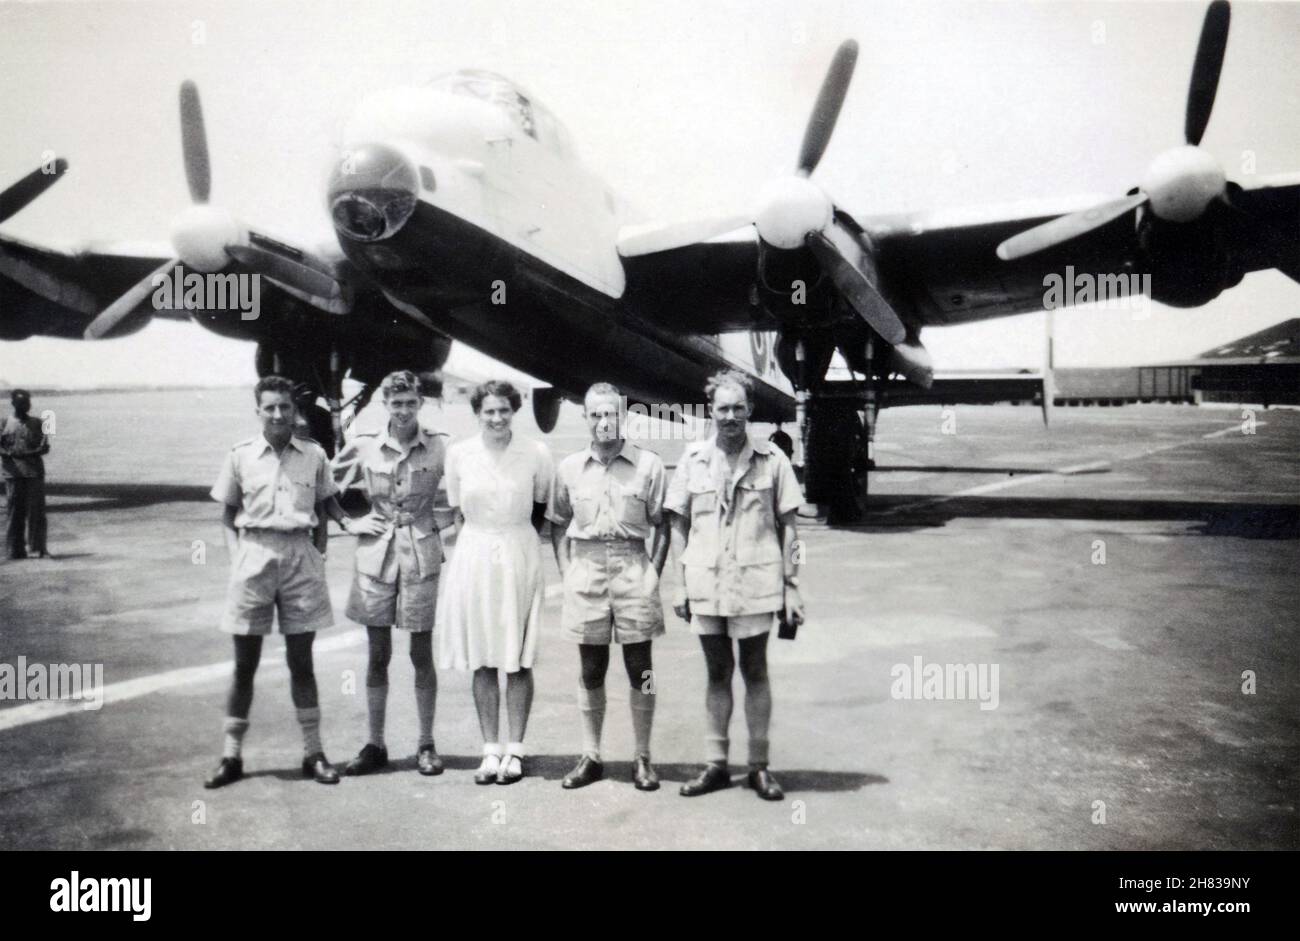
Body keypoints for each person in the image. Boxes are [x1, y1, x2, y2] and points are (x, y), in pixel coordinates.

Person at [203, 375, 354, 789]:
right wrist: (238, 561)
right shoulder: (240, 455)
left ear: (294, 411)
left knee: (301, 663)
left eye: (284, 407)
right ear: (258, 411)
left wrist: (320, 551)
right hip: (253, 557)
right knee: (244, 665)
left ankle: (314, 753)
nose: (277, 414)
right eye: (269, 407)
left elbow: (326, 504)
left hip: (299, 558)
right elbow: (227, 517)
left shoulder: (314, 455)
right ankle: (231, 757)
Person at [666, 369, 805, 801]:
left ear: (750, 410)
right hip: (706, 582)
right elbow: (678, 526)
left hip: (756, 585)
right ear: (711, 410)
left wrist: (793, 585)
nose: (730, 416)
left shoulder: (772, 461)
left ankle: (760, 767)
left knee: (755, 670)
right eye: (722, 408)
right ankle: (716, 765)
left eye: (738, 408)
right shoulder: (692, 461)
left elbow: (790, 530)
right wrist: (680, 585)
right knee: (716, 673)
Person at [547, 383, 668, 791]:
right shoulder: (568, 468)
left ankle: (643, 756)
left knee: (642, 668)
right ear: (586, 419)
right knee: (591, 667)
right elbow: (558, 523)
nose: (603, 422)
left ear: (624, 418)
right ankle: (591, 754)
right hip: (587, 568)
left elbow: (662, 525)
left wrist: (655, 572)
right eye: (595, 415)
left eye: (610, 415)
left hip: (633, 565)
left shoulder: (648, 465)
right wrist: (567, 572)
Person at [437, 380, 553, 785]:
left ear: (514, 411)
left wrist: (516, 538)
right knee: (484, 655)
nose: (497, 418)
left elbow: (540, 506)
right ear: (477, 413)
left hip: (519, 549)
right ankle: (490, 751)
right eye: (489, 411)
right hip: (475, 552)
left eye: (504, 410)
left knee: (517, 656)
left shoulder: (536, 453)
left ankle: (516, 751)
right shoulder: (459, 454)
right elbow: (457, 511)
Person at [340, 370, 449, 777]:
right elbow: (323, 487)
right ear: (385, 404)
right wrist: (349, 523)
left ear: (420, 403)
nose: (403, 411)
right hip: (376, 556)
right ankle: (375, 743)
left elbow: (462, 493)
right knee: (377, 654)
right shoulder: (365, 446)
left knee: (421, 653)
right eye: (395, 403)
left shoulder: (441, 448)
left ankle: (426, 744)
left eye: (410, 403)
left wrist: (441, 525)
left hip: (420, 554)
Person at [1, 389, 50, 560]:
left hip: (34, 473)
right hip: (13, 474)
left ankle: (39, 548)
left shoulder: (38, 422)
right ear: (14, 403)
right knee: (14, 512)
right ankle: (14, 550)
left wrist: (38, 450)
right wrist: (6, 453)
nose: (26, 406)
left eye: (28, 403)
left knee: (37, 512)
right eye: (22, 403)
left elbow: (45, 446)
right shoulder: (4, 422)